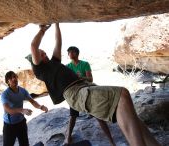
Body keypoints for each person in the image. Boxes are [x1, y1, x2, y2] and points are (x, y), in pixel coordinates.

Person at [29, 23, 160, 146]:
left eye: (45, 52)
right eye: (41, 54)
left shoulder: (55, 62)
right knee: (122, 94)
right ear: (36, 59)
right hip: (76, 93)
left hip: (84, 87)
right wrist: (42, 30)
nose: (44, 54)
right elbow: (34, 46)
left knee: (129, 112)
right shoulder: (40, 70)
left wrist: (57, 23)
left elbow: (58, 42)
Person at [65, 46, 115, 145]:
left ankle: (111, 141)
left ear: (76, 53)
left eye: (72, 52)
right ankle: (67, 137)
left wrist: (81, 77)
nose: (70, 54)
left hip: (86, 90)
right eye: (69, 52)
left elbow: (90, 79)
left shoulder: (84, 64)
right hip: (75, 92)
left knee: (97, 115)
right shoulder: (68, 67)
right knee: (73, 116)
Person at [1, 71, 48, 146]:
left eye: (15, 76)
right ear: (8, 82)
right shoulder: (5, 94)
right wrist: (22, 110)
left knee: (24, 144)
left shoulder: (22, 91)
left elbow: (32, 101)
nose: (14, 79)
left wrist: (41, 107)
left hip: (21, 123)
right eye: (11, 78)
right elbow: (8, 110)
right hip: (9, 125)